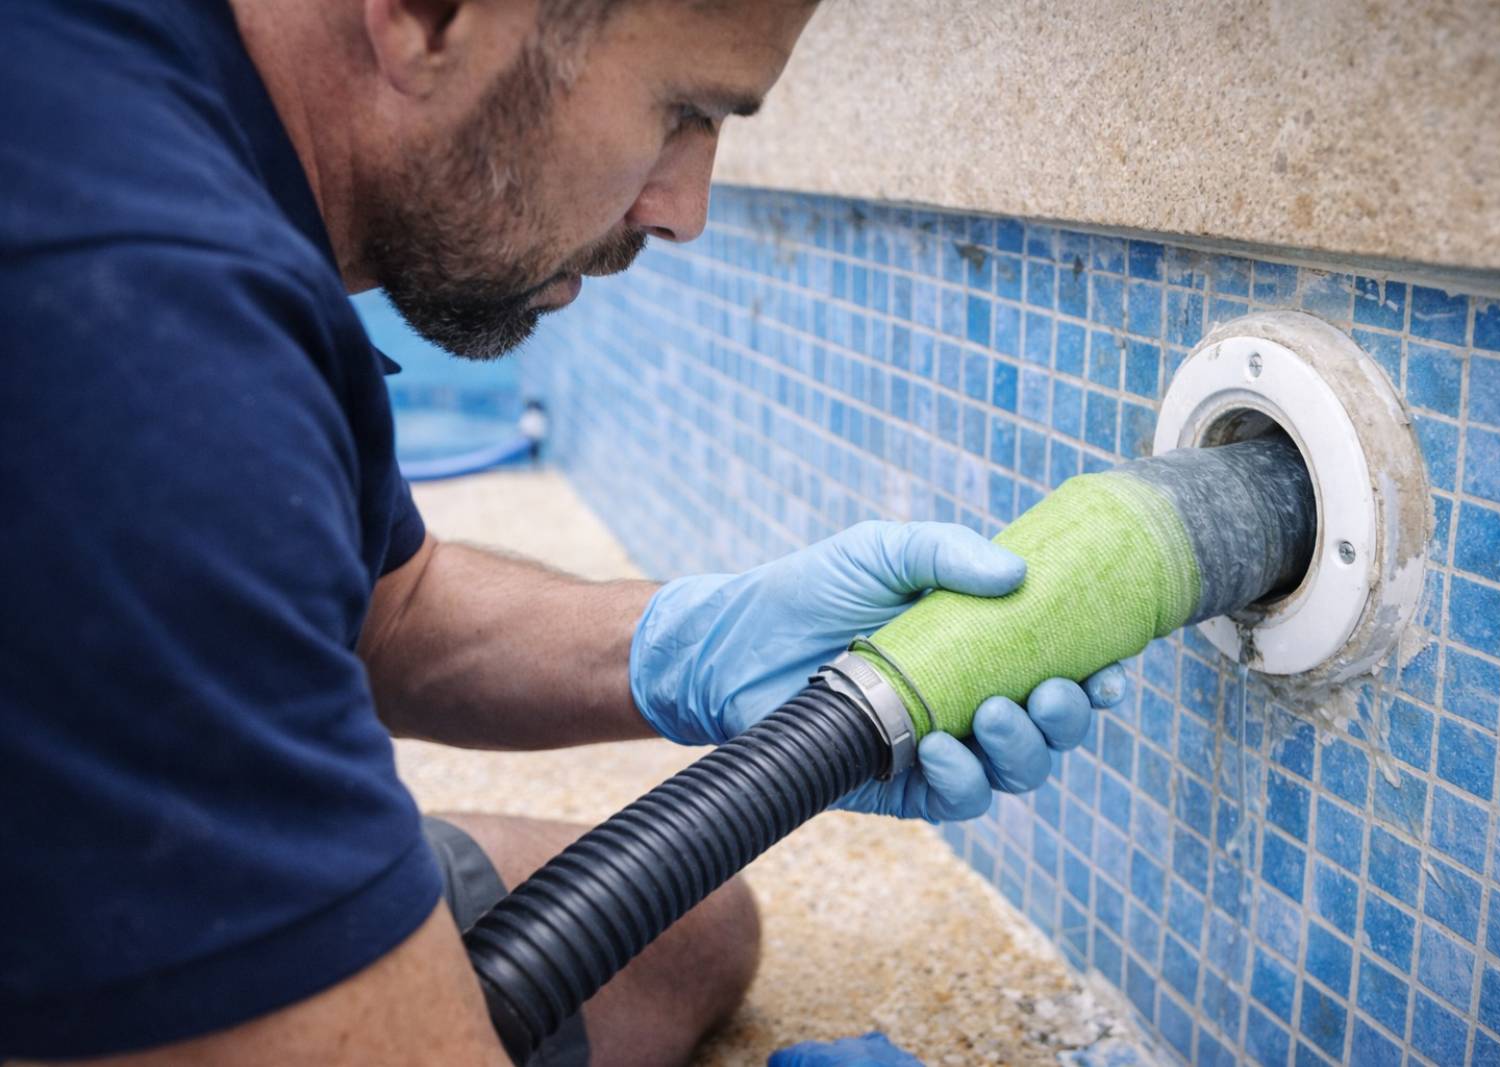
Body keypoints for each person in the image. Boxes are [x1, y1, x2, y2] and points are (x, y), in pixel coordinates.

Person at [0, 1, 1127, 1064]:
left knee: (682, 940)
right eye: (682, 109)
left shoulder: (182, 107)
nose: (683, 208)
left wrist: (690, 641)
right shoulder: (136, 321)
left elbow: (384, 608)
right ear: (433, 13)